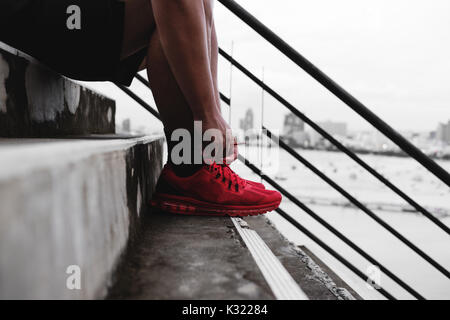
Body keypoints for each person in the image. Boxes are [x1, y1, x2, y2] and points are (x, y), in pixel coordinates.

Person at [0, 0, 281, 216]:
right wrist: (208, 115)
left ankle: (191, 167)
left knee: (182, 15)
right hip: (36, 15)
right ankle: (193, 163)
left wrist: (212, 115)